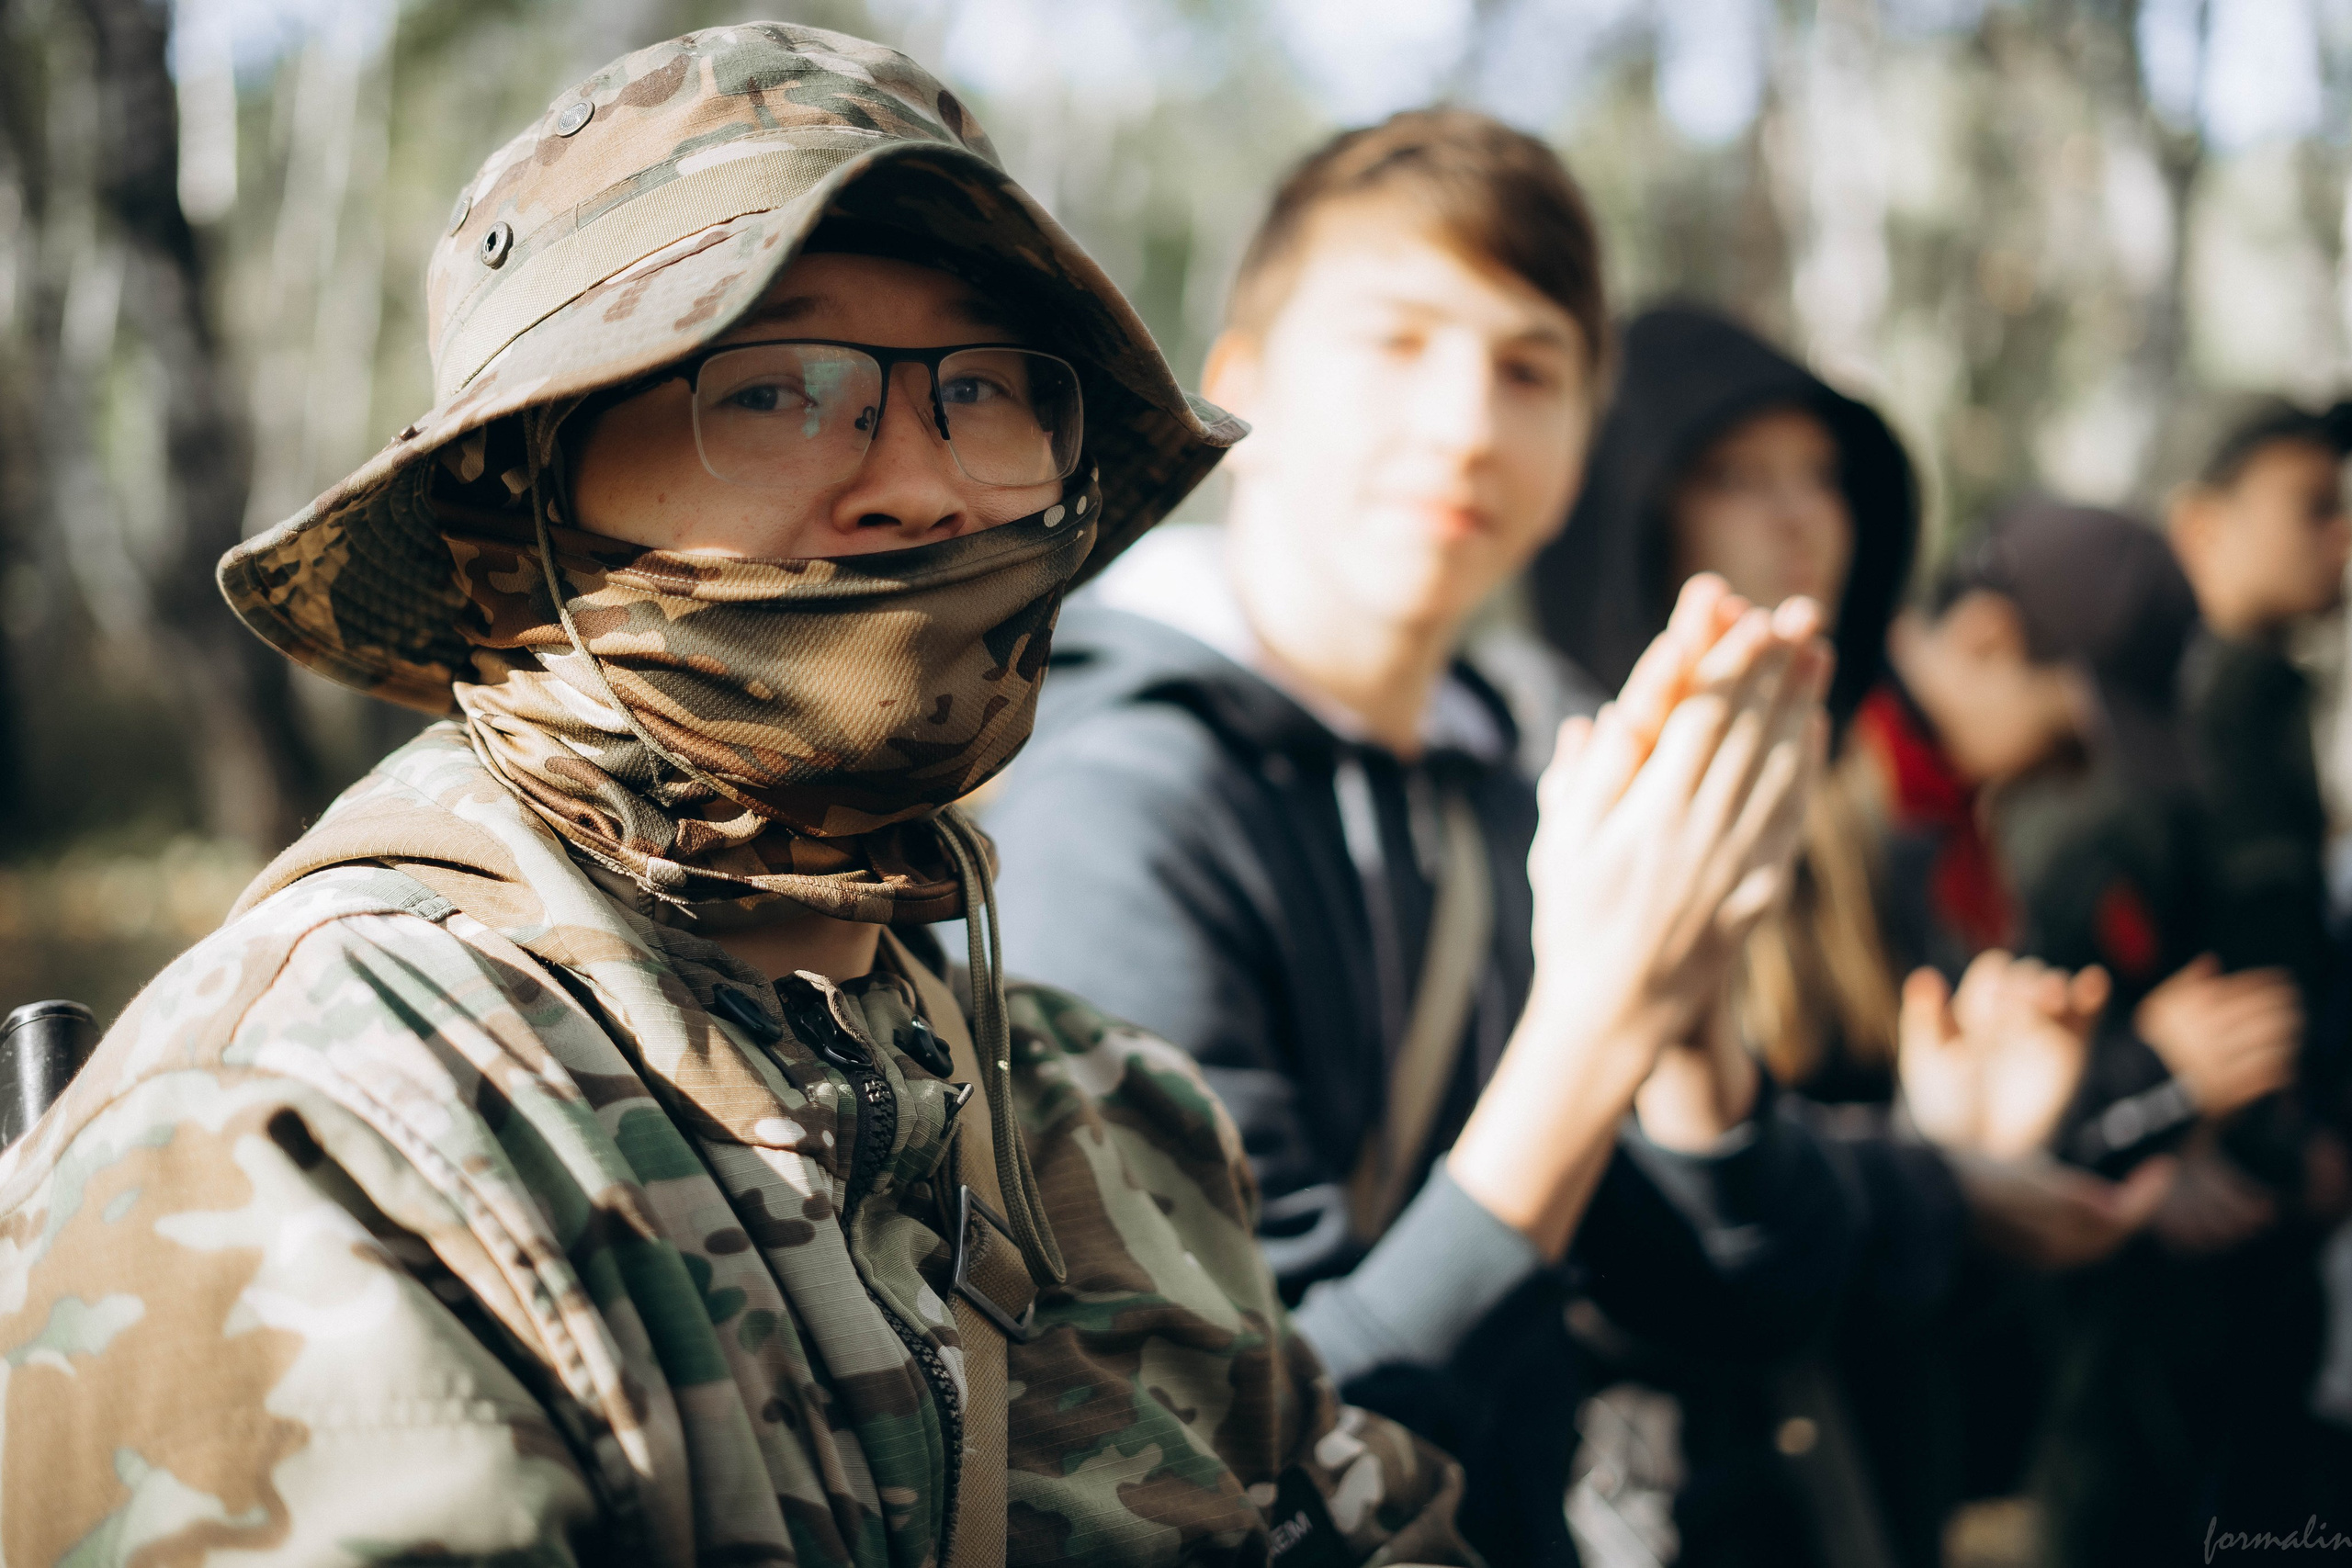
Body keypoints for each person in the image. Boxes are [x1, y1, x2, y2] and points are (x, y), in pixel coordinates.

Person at [0, 28, 1578, 1563]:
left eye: (985, 388)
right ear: (514, 498)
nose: (919, 477)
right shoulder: (335, 1119)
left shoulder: (1101, 1114)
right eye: (775, 385)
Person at [985, 115, 1857, 1566]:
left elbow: (1737, 1302)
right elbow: (1236, 1460)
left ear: (1584, 441)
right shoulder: (1109, 806)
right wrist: (1596, 1024)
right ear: (1237, 385)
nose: (1465, 422)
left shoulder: (1503, 781)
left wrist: (1689, 1011)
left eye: (1530, 369)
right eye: (1396, 341)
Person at [1524, 307, 2164, 1568]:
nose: (1800, 516)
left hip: (1859, 1472)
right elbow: (1649, 1209)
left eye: (1820, 477)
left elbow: (1868, 1230)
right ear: (1636, 502)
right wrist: (1937, 1177)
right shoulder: (1562, 780)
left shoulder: (1857, 801)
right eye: (1739, 477)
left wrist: (1980, 1141)